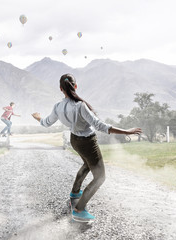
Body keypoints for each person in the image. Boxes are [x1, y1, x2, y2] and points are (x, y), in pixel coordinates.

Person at [32, 73, 142, 221]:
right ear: (75, 86)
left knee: (87, 164)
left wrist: (38, 117)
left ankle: (75, 193)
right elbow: (99, 125)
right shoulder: (80, 106)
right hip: (88, 142)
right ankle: (79, 208)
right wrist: (126, 131)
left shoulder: (57, 106)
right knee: (100, 177)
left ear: (60, 89)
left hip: (74, 140)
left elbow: (46, 122)